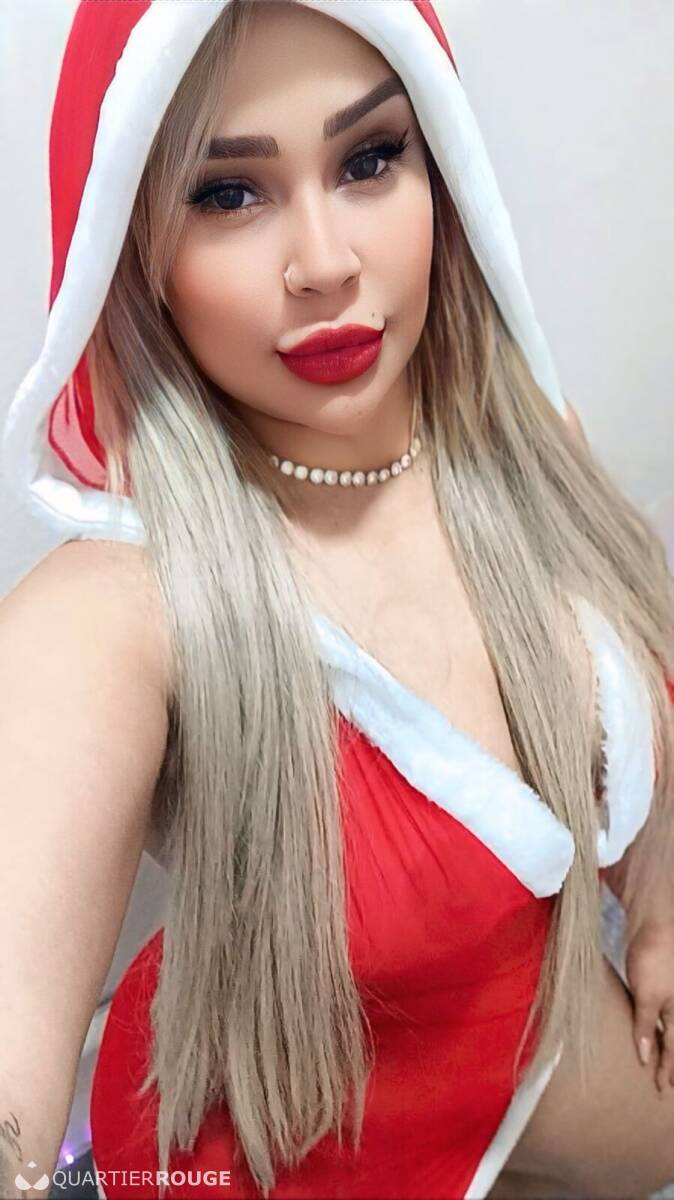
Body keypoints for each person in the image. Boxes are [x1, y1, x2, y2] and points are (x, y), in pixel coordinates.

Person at [1, 1, 674, 1198]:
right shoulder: (116, 610)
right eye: (227, 193)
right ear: (132, 246)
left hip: (532, 1047)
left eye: (368, 160)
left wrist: (660, 901)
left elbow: (628, 695)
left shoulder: (531, 450)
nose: (322, 262)